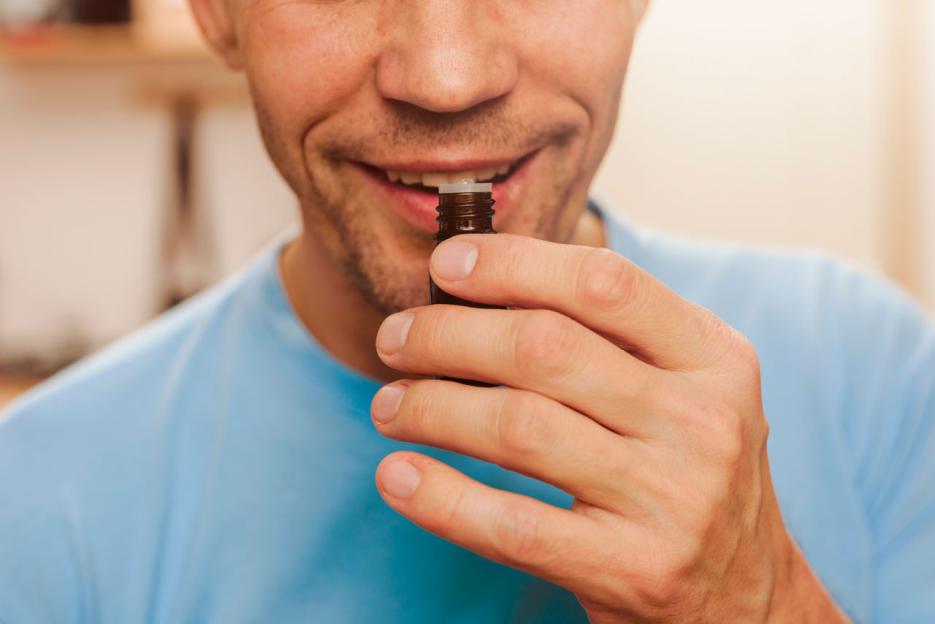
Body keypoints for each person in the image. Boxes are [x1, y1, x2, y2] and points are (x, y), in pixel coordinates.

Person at [1, 1, 933, 621]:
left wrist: (761, 604)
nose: (446, 79)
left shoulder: (879, 375)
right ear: (214, 10)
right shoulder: (36, 499)